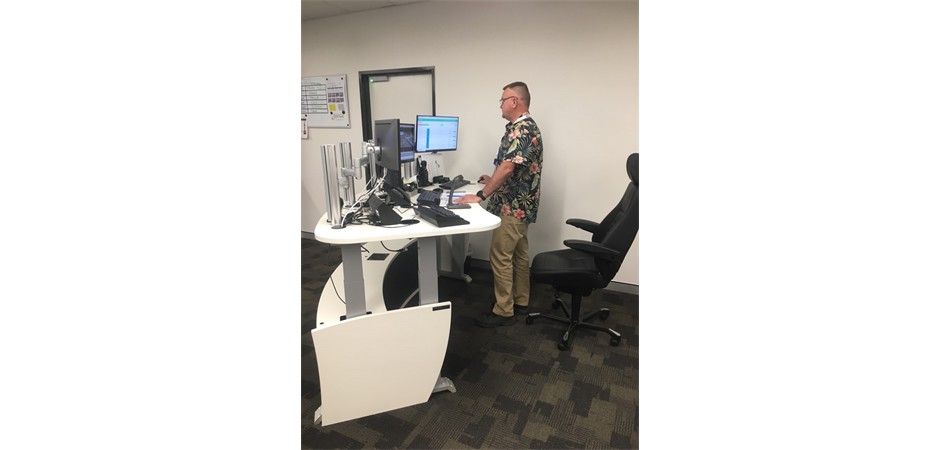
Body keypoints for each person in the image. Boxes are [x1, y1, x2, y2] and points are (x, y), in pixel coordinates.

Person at [456, 81, 543, 328]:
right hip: (520, 205)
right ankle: (521, 300)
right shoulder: (523, 127)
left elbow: (507, 168)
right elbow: (510, 167)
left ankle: (504, 310)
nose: (500, 105)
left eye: (502, 100)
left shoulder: (522, 129)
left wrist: (481, 194)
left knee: (501, 255)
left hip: (512, 207)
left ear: (514, 101)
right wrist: (492, 179)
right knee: (519, 255)